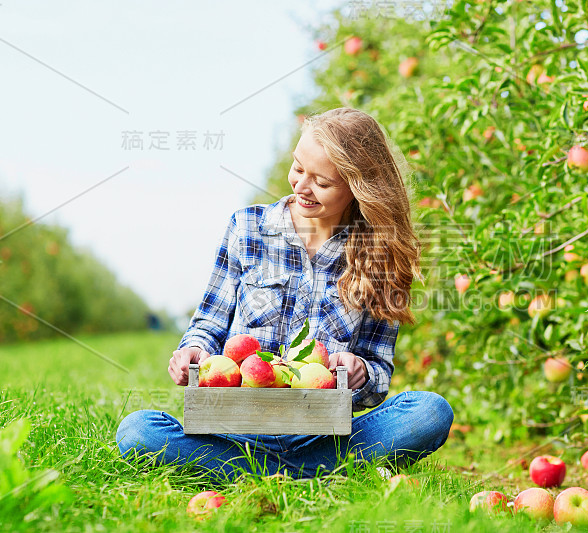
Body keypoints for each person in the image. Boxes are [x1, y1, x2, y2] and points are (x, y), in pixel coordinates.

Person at [116, 107, 454, 481]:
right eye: (298, 167)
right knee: (137, 432)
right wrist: (193, 350)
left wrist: (361, 372)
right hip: (233, 432)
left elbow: (378, 371)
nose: (300, 186)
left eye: (322, 182)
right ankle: (314, 474)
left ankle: (253, 473)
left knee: (430, 412)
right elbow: (209, 324)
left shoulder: (379, 254)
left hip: (324, 435)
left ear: (357, 187)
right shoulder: (247, 228)